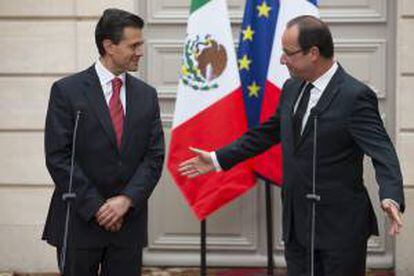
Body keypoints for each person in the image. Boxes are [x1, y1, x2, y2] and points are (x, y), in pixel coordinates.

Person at [179, 15, 404, 276]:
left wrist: (390, 196)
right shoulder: (292, 87)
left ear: (313, 54)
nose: (282, 60)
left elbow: (382, 151)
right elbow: (267, 133)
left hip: (339, 228)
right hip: (298, 224)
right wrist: (218, 159)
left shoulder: (355, 96)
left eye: (288, 53)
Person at [42, 8, 165, 276]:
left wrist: (126, 200)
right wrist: (98, 207)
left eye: (140, 44)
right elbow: (59, 157)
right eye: (134, 45)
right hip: (79, 220)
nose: (141, 51)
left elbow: (154, 157)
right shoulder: (67, 91)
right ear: (109, 46)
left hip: (128, 224)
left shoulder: (147, 95)